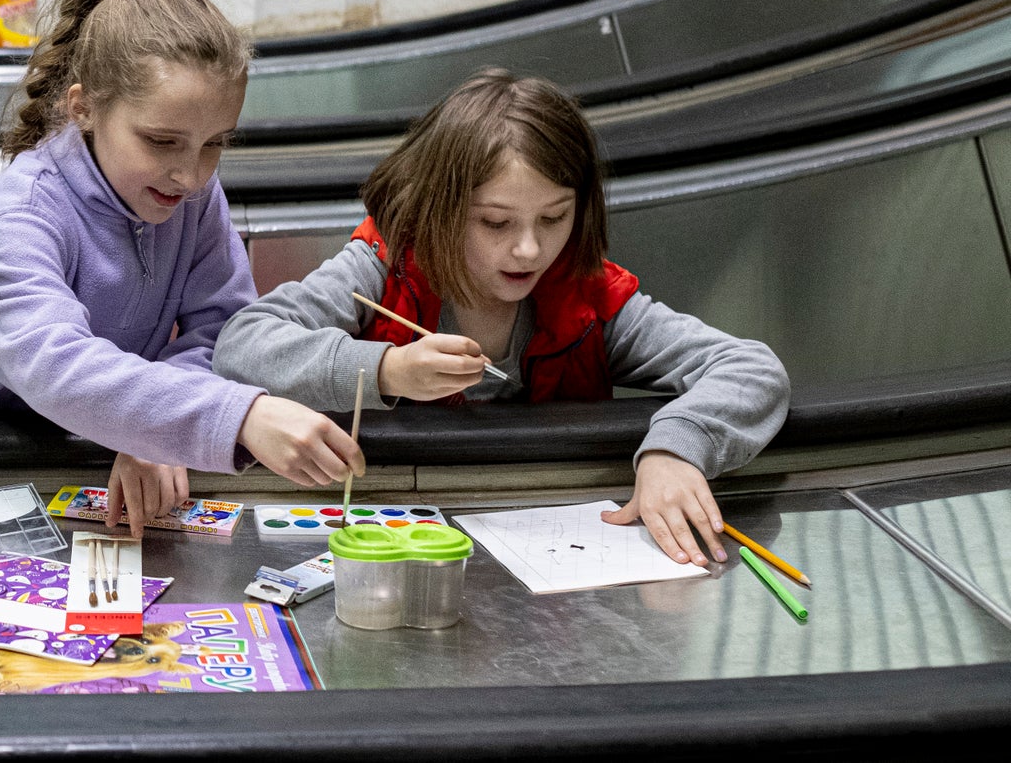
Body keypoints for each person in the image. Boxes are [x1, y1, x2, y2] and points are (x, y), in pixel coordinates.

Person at [212, 68, 789, 566]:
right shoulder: (380, 270)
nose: (529, 251)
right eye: (495, 223)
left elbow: (750, 369)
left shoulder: (592, 301)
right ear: (438, 209)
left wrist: (676, 449)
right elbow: (242, 347)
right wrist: (384, 368)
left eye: (554, 218)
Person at [0, 0, 364, 536]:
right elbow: (55, 365)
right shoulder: (26, 208)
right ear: (83, 107)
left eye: (215, 144)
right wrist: (236, 415)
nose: (190, 175)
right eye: (162, 141)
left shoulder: (196, 199)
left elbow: (222, 331)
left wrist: (151, 432)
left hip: (117, 452)